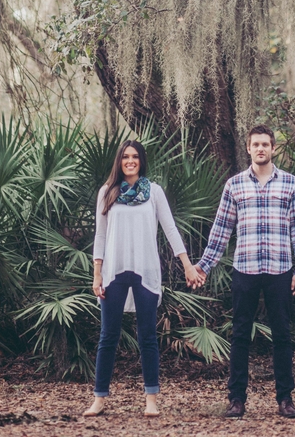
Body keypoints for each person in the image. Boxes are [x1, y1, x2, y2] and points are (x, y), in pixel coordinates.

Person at [193, 124, 295, 419]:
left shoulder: (291, 184)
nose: (260, 149)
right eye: (255, 144)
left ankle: (285, 399)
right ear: (248, 149)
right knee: (241, 335)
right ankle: (236, 400)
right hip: (245, 268)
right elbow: (221, 230)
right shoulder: (234, 185)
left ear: (273, 148)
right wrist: (204, 266)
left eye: (265, 144)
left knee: (282, 335)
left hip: (280, 269)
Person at [83, 139, 202, 418]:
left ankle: (151, 399)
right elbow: (100, 236)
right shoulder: (107, 192)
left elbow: (170, 229)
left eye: (135, 157)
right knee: (107, 336)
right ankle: (99, 400)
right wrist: (97, 274)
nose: (130, 161)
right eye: (125, 157)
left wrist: (186, 264)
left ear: (141, 161)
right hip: (114, 272)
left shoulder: (154, 193)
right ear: (119, 161)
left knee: (147, 336)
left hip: (146, 271)